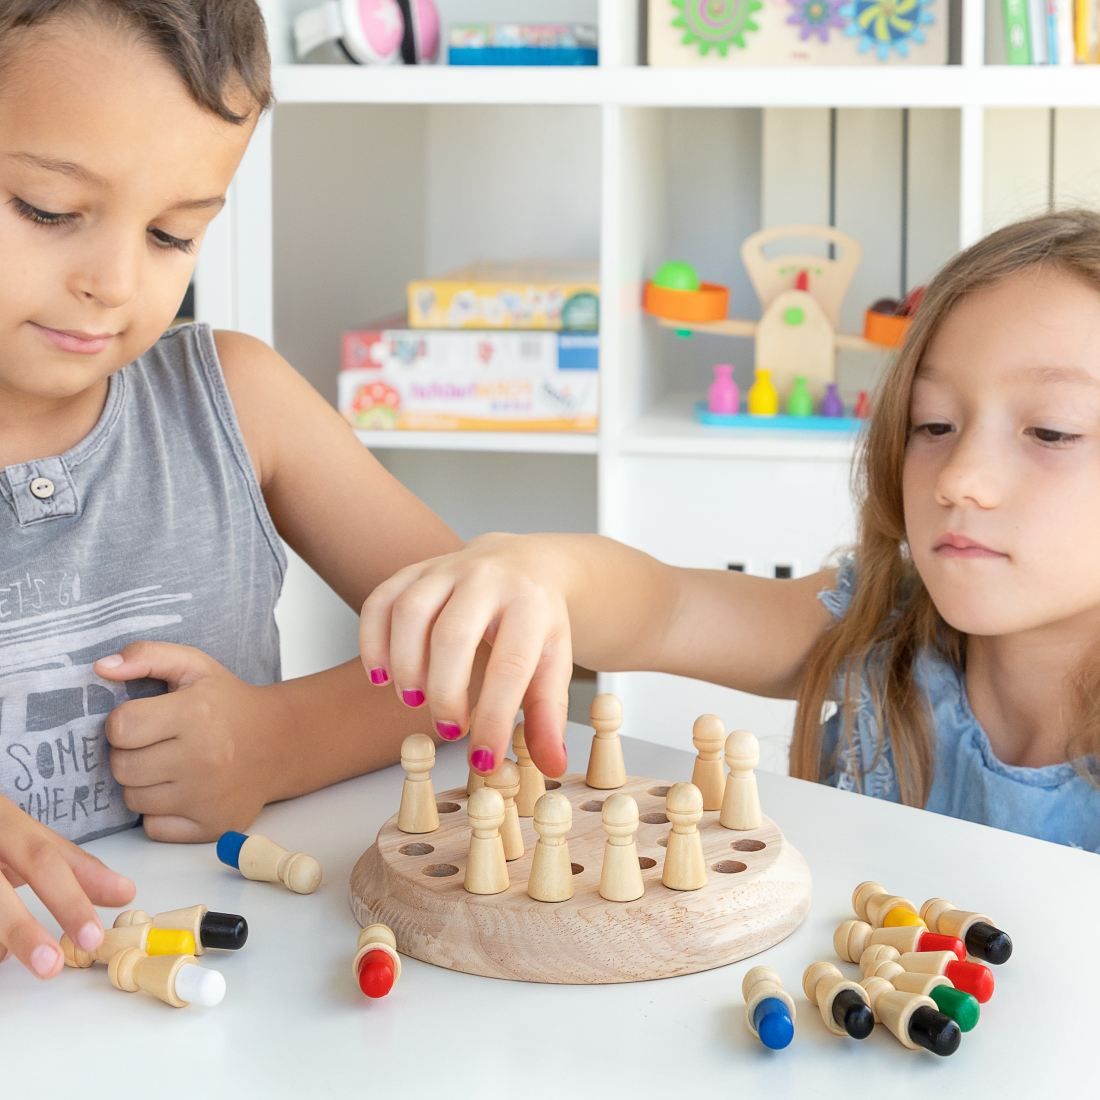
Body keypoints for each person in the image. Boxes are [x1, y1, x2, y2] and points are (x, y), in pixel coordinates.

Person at [362, 209, 1100, 855]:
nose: (958, 477)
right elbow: (670, 608)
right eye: (933, 423)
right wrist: (542, 569)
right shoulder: (884, 629)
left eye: (1052, 431)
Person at [0, 0, 474, 979]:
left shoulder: (239, 401)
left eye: (174, 234)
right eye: (47, 210)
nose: (115, 279)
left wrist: (277, 741)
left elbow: (479, 645)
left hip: (231, 1009)